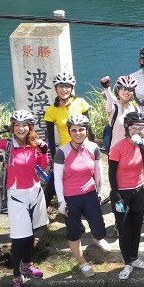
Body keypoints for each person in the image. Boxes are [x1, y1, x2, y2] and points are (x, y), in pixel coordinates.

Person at [0, 109, 49, 287]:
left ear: (30, 127)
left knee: (31, 233)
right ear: (13, 127)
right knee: (18, 238)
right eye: (17, 125)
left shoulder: (35, 143)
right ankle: (16, 277)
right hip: (17, 195)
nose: (21, 128)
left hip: (35, 191)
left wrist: (43, 151)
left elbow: (43, 163)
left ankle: (27, 265)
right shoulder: (7, 144)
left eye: (25, 125)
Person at [53, 114, 112, 278]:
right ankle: (82, 262)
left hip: (90, 194)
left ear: (86, 130)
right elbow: (57, 179)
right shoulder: (62, 152)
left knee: (99, 229)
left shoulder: (93, 148)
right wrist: (61, 202)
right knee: (73, 233)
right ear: (69, 131)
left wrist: (100, 193)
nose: (78, 133)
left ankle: (97, 238)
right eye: (74, 130)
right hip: (70, 198)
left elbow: (98, 173)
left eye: (81, 129)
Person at [108, 111, 144, 280]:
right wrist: (116, 193)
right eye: (134, 128)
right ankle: (127, 263)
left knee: (136, 228)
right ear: (127, 128)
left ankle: (135, 259)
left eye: (141, 128)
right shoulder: (118, 147)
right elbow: (111, 173)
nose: (137, 131)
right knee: (124, 229)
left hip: (138, 191)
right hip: (121, 194)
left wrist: (141, 144)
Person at [43, 72, 91, 208]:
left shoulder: (80, 103)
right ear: (55, 89)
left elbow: (89, 129)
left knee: (83, 180)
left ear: (72, 88)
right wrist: (53, 157)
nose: (64, 90)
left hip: (83, 148)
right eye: (60, 86)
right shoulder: (52, 110)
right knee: (56, 181)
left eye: (67, 86)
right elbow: (51, 139)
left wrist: (92, 148)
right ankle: (42, 214)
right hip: (65, 151)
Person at [101, 75, 138, 154]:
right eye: (124, 88)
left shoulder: (136, 109)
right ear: (118, 90)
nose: (127, 92)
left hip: (132, 152)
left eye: (130, 89)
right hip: (115, 153)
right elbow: (110, 99)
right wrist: (106, 87)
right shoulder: (114, 108)